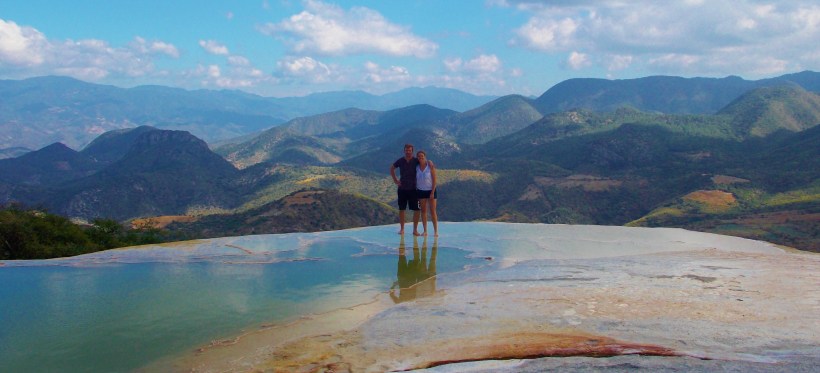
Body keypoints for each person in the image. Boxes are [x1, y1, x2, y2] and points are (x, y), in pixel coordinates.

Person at [390, 144, 420, 235]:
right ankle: (402, 229)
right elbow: (392, 168)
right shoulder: (401, 160)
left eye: (409, 150)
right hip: (402, 188)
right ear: (404, 151)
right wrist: (395, 180)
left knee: (417, 210)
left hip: (414, 189)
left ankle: (415, 230)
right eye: (406, 150)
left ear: (412, 151)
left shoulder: (416, 160)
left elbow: (424, 165)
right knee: (402, 209)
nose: (408, 152)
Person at [415, 150, 438, 237]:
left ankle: (435, 231)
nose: (421, 158)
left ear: (425, 157)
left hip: (431, 191)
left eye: (422, 156)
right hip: (421, 191)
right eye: (419, 156)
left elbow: (434, 179)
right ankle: (425, 231)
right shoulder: (416, 167)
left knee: (433, 211)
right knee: (423, 211)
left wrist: (432, 192)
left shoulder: (430, 166)